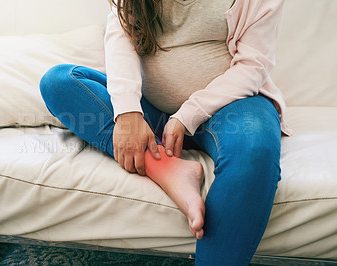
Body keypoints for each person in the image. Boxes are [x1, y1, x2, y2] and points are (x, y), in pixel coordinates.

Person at [40, 0, 292, 264]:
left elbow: (253, 66)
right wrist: (128, 113)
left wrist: (187, 116)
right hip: (152, 114)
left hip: (232, 107)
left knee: (255, 151)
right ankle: (166, 168)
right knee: (59, 82)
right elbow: (121, 39)